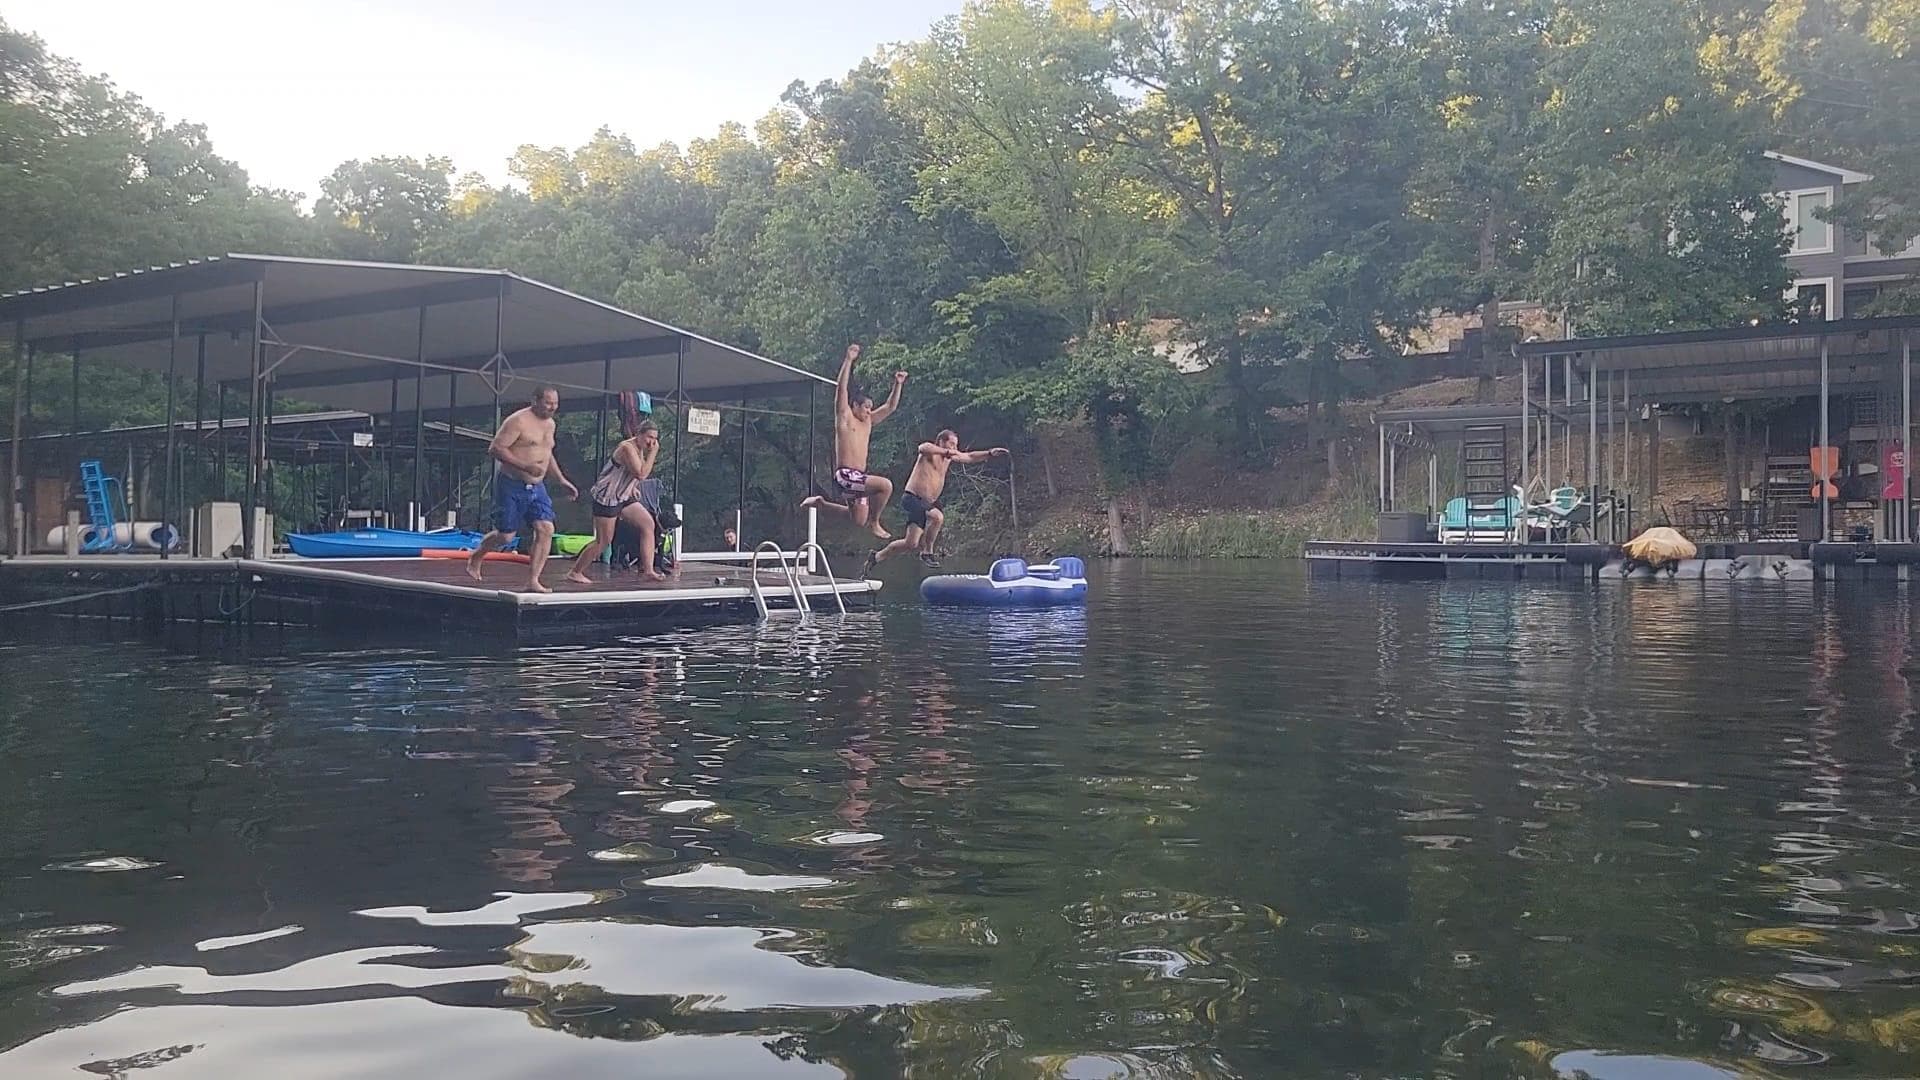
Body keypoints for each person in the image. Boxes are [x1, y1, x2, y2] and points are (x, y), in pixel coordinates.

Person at [466, 386, 578, 593]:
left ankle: (533, 580)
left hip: (537, 486)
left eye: (555, 404)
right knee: (506, 537)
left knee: (546, 529)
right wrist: (525, 466)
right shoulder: (518, 421)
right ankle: (478, 554)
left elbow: (546, 453)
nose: (552, 408)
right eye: (548, 403)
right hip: (511, 483)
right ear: (535, 400)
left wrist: (561, 479)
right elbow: (496, 449)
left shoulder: (550, 424)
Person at [862, 429, 1008, 574]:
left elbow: (969, 456)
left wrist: (989, 453)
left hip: (927, 502)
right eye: (951, 444)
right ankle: (927, 553)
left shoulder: (949, 458)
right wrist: (944, 452)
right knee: (938, 517)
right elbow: (922, 447)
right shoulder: (930, 453)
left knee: (910, 543)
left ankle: (876, 556)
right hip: (912, 498)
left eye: (955, 445)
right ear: (941, 442)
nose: (954, 448)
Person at [800, 343, 905, 540]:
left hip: (859, 478)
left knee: (857, 520)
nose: (868, 411)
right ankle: (875, 521)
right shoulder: (845, 417)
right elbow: (841, 389)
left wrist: (898, 384)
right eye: (865, 407)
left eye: (870, 408)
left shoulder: (868, 422)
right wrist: (848, 360)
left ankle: (821, 504)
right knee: (886, 486)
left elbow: (890, 407)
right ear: (854, 405)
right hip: (846, 476)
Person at [566, 407, 665, 585]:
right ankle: (575, 571)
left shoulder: (640, 448)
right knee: (603, 541)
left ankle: (648, 570)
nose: (652, 442)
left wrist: (633, 486)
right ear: (639, 434)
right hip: (607, 496)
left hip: (623, 495)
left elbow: (633, 475)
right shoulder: (627, 447)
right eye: (649, 437)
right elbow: (641, 473)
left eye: (655, 439)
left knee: (648, 524)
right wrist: (654, 454)